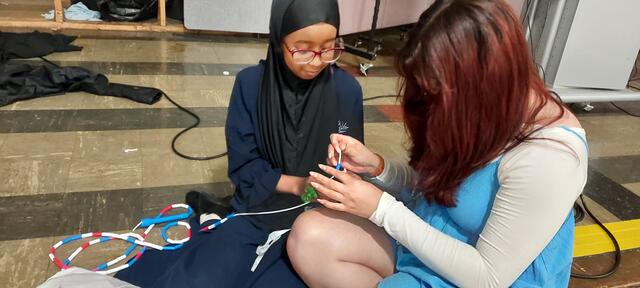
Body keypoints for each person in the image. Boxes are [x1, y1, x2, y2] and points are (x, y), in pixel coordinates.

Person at [287, 0, 588, 287]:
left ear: (482, 83)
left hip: (478, 276)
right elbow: (438, 189)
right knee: (308, 236)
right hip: (434, 238)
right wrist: (377, 168)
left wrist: (381, 209)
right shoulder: (486, 109)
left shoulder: (550, 158)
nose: (432, 105)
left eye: (438, 94)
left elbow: (487, 279)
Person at [114, 0, 364, 286]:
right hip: (257, 209)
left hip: (320, 219)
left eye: (329, 47)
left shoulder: (347, 90)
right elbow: (244, 167)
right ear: (278, 39)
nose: (317, 60)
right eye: (303, 49)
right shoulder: (251, 85)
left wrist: (341, 180)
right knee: (202, 278)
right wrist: (297, 184)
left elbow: (352, 164)